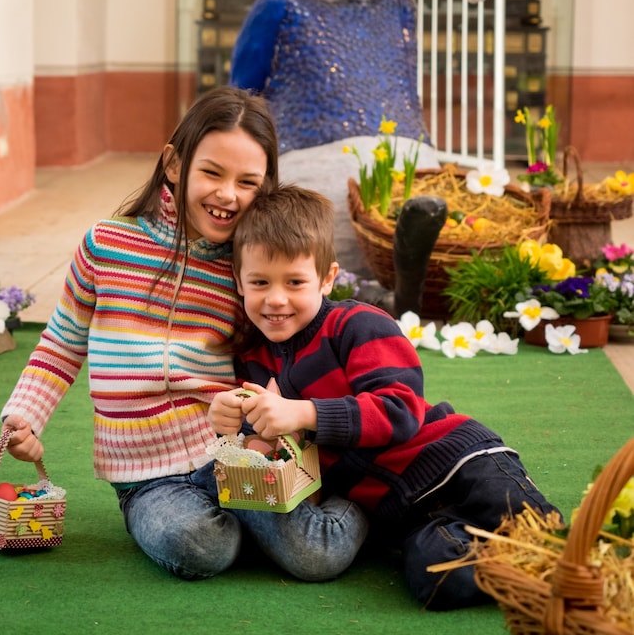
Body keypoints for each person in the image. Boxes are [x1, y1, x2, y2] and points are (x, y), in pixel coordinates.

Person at [1, 87, 368, 582]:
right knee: (199, 546)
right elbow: (61, 346)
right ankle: (238, 526)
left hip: (234, 456)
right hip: (146, 481)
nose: (228, 195)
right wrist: (24, 416)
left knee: (316, 557)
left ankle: (365, 506)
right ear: (174, 165)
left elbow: (286, 349)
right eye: (212, 172)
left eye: (248, 182)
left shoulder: (250, 271)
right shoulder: (106, 245)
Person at [208, 184, 562, 610]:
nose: (276, 298)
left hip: (456, 462)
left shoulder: (356, 325)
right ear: (239, 283)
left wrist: (301, 412)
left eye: (295, 281)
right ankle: (524, 574)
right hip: (406, 517)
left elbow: (400, 411)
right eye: (260, 282)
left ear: (327, 278)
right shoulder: (255, 361)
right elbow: (279, 447)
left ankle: (566, 569)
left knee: (534, 530)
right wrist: (238, 425)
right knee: (434, 578)